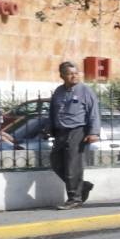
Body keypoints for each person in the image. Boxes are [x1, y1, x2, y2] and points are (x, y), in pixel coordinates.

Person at [48, 61, 100, 209]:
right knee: (56, 162)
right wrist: (49, 127)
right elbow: (52, 111)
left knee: (72, 166)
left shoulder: (85, 91)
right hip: (60, 132)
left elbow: (94, 112)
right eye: (70, 74)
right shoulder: (58, 91)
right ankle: (82, 186)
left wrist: (94, 132)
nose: (74, 76)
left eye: (76, 73)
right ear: (62, 76)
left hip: (77, 130)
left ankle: (74, 199)